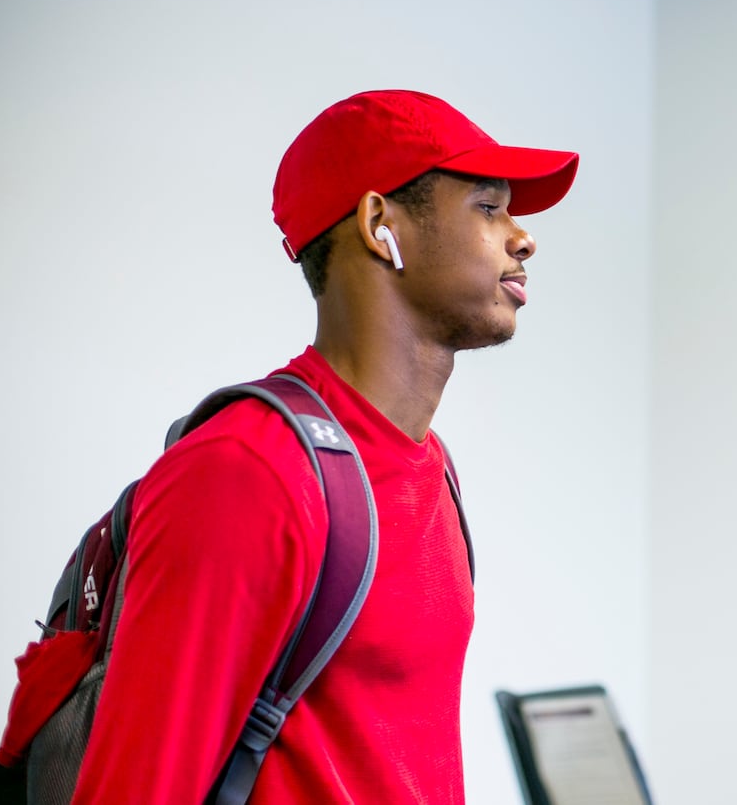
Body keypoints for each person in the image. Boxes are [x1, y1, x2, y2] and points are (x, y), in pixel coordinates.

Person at [71, 89, 579, 802]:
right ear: (380, 224)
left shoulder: (432, 465)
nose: (523, 237)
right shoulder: (246, 471)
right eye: (489, 207)